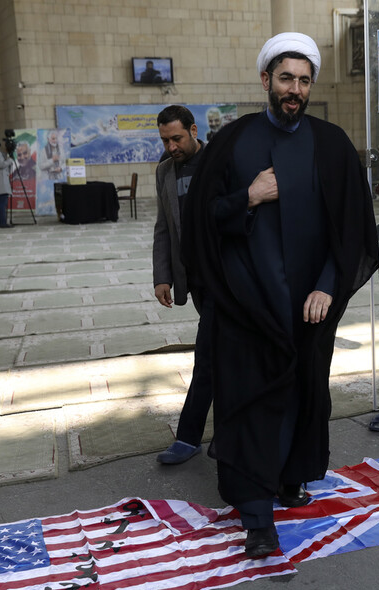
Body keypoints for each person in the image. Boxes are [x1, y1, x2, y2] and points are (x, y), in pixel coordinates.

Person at [181, 32, 379, 558]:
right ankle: (256, 516)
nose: (295, 89)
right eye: (285, 78)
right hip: (247, 305)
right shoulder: (232, 143)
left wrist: (328, 285)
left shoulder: (332, 145)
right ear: (265, 80)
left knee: (301, 394)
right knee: (248, 403)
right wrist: (248, 196)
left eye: (304, 80)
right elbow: (200, 220)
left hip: (309, 306)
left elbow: (354, 229)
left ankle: (290, 476)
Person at [153, 105, 209, 466]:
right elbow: (163, 227)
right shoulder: (164, 171)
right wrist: (162, 276)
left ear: (192, 130)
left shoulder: (218, 161)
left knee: (210, 355)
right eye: (164, 140)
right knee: (216, 355)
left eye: (176, 138)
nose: (171, 146)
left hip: (230, 278)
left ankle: (189, 436)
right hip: (196, 279)